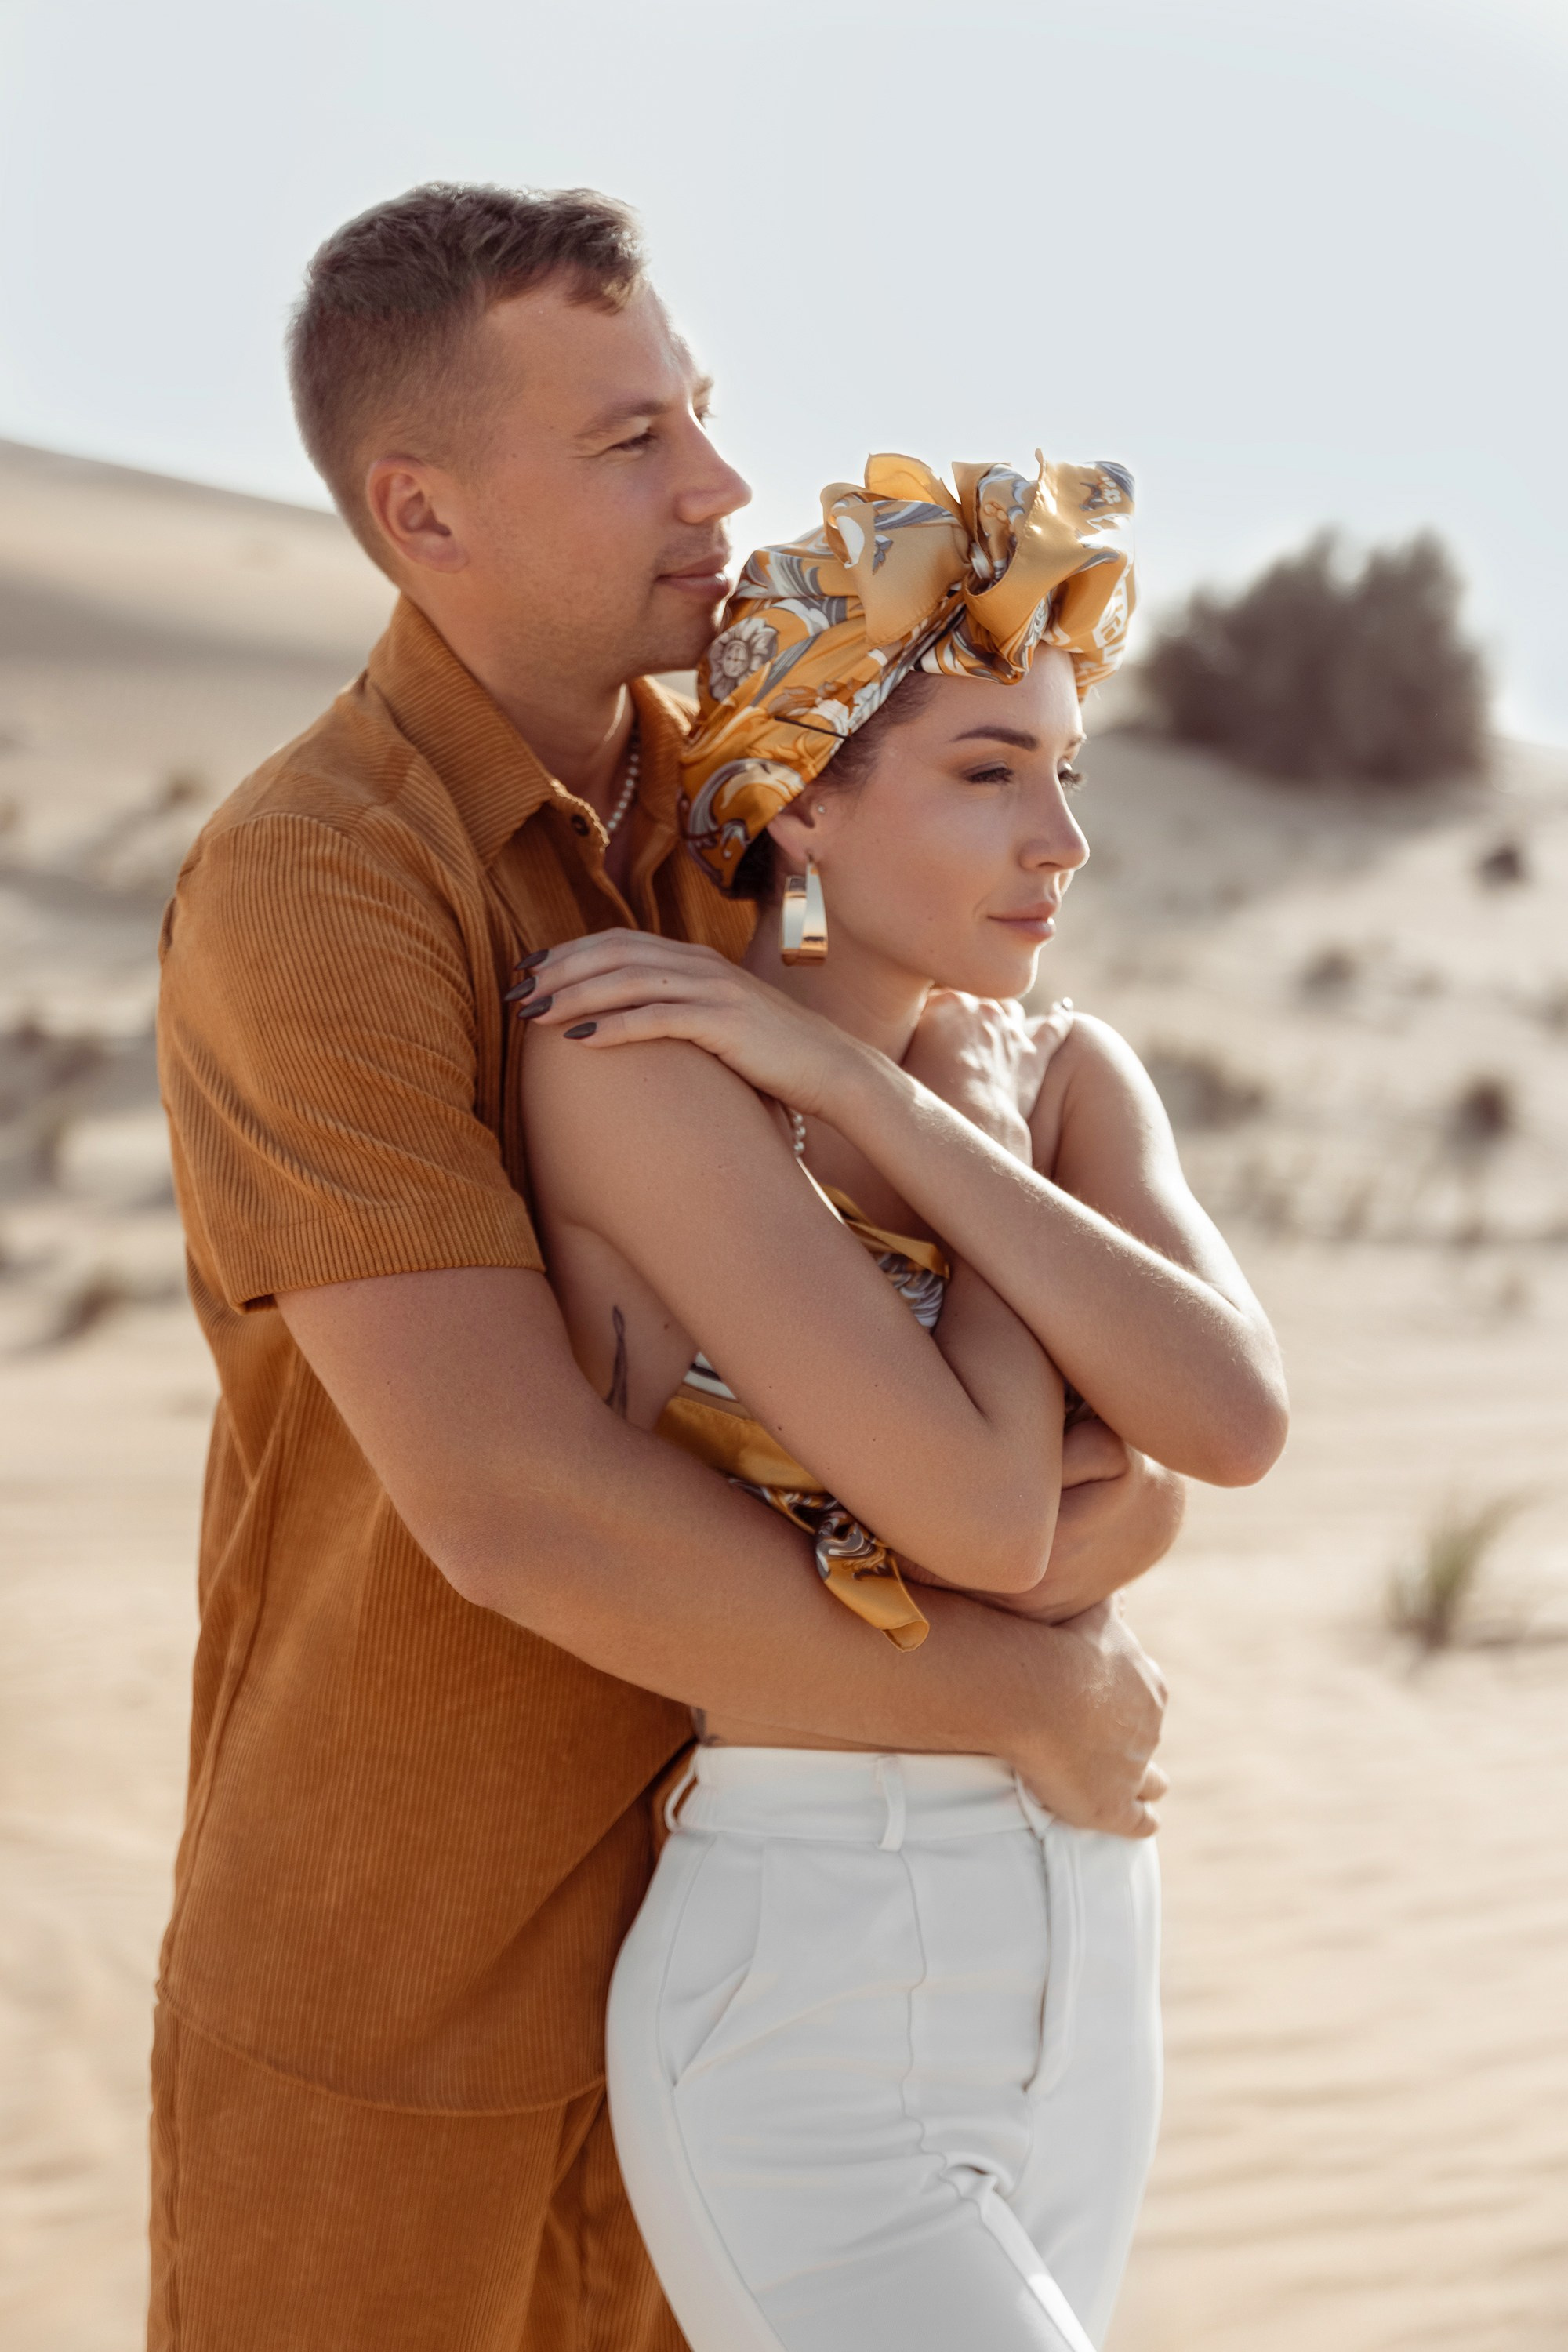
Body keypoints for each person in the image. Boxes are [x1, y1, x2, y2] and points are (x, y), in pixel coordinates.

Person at [152, 183, 1186, 2352]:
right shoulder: (315, 881)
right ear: (419, 510)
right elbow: (508, 1494)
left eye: (700, 414)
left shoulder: (761, 855)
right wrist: (1014, 1688)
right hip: (408, 1988)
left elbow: (1108, 1408)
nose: (719, 483)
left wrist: (1101, 1493)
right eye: (633, 442)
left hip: (771, 1954)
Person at [514, 456, 1288, 2349]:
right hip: (806, 1977)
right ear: (802, 794)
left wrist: (892, 1107)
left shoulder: (1058, 1069)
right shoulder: (644, 1064)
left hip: (1087, 1934)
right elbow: (1001, 1527)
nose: (1062, 843)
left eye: (1067, 773)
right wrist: (977, 1165)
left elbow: (1233, 1425)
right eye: (984, 772)